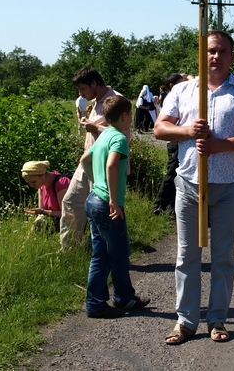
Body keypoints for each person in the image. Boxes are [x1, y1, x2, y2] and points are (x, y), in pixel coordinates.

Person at [154, 31, 234, 345]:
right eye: (211, 51)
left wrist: (221, 145)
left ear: (231, 55)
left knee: (223, 258)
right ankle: (186, 321)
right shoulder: (183, 90)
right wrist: (187, 130)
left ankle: (217, 319)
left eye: (222, 51)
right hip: (189, 183)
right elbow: (160, 128)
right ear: (202, 55)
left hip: (227, 186)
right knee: (187, 256)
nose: (215, 57)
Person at [79, 95, 150, 318]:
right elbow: (111, 165)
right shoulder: (118, 137)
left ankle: (106, 301)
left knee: (102, 253)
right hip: (107, 204)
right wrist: (112, 199)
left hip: (93, 200)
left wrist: (95, 184)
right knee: (118, 253)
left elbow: (84, 159)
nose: (131, 119)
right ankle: (115, 300)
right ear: (124, 115)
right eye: (130, 115)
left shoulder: (104, 134)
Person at [60, 67, 126, 250]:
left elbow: (124, 136)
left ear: (94, 83)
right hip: (87, 163)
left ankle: (108, 252)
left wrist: (95, 128)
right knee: (71, 202)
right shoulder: (95, 102)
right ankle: (69, 250)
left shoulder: (116, 101)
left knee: (101, 211)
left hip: (105, 167)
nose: (80, 94)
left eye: (82, 89)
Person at [152, 73, 188, 216]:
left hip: (179, 139)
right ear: (172, 85)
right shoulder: (171, 98)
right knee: (172, 172)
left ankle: (173, 206)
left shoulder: (180, 95)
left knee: (178, 172)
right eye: (181, 82)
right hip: (174, 140)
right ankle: (159, 205)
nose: (184, 84)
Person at [22, 161, 71, 232]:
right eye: (28, 183)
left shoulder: (61, 184)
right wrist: (40, 211)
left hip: (69, 221)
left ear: (43, 175)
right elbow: (42, 210)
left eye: (33, 182)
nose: (31, 186)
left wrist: (42, 211)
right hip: (54, 220)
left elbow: (67, 214)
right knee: (39, 223)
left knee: (40, 224)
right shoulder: (41, 186)